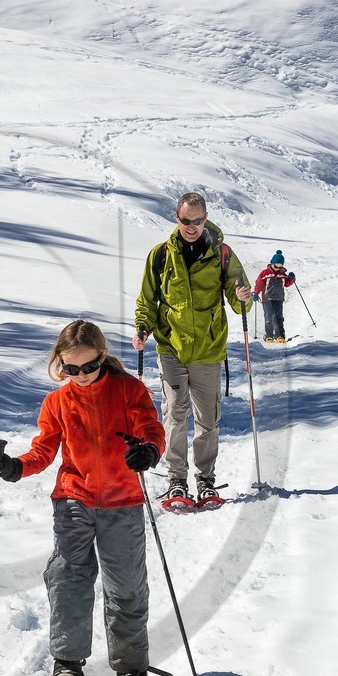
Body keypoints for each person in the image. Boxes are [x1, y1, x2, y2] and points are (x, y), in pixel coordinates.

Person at [0, 318, 166, 676]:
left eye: (89, 366)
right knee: (68, 578)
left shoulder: (129, 390)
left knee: (126, 586)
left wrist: (148, 451)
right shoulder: (58, 402)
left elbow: (152, 430)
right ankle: (67, 666)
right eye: (71, 368)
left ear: (103, 356)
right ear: (60, 364)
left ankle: (131, 668)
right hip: (74, 500)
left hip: (123, 501)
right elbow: (43, 451)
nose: (81, 375)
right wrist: (15, 466)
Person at [132, 191, 252, 507]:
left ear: (205, 218)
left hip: (208, 351)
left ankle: (206, 482)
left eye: (198, 221)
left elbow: (241, 303)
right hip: (171, 347)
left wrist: (244, 296)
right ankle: (176, 481)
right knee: (174, 414)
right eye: (186, 220)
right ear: (177, 217)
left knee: (208, 419)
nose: (192, 227)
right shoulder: (160, 255)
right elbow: (147, 300)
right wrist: (143, 327)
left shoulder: (222, 254)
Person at [252, 250, 296, 342]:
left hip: (279, 298)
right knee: (269, 317)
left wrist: (291, 279)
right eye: (276, 266)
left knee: (278, 316)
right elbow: (259, 284)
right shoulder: (265, 273)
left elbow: (287, 284)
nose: (277, 268)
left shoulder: (282, 274)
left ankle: (280, 335)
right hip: (267, 298)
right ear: (272, 263)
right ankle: (269, 335)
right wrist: (256, 293)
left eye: (280, 267)